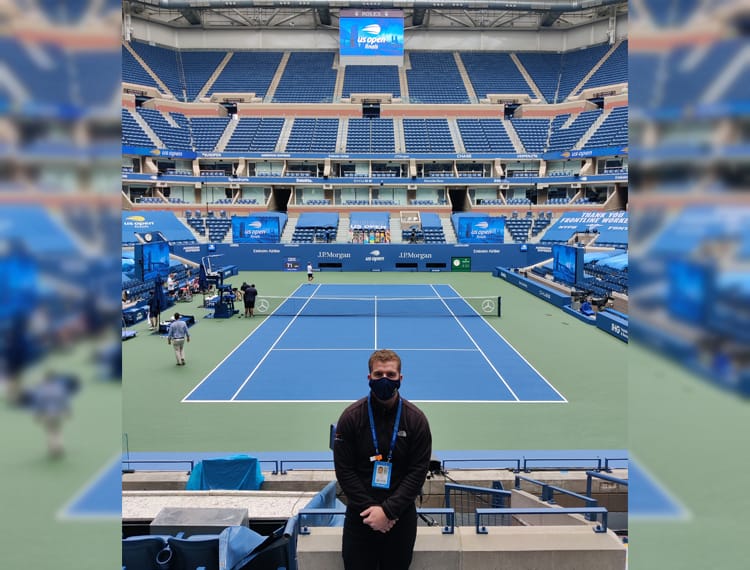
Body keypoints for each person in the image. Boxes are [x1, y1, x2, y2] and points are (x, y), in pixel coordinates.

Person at [333, 349, 432, 570]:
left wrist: (388, 512)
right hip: (360, 517)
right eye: (378, 375)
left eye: (390, 374)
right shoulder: (350, 418)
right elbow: (344, 470)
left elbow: (418, 471)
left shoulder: (416, 420)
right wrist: (372, 510)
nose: (384, 380)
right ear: (369, 378)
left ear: (400, 378)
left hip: (400, 519)